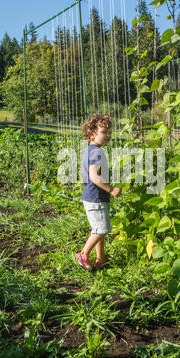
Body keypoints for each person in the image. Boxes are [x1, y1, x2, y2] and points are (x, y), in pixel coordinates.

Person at [75, 113, 121, 270]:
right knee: (101, 229)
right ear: (92, 133)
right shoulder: (96, 152)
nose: (108, 135)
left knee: (100, 228)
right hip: (95, 198)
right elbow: (94, 176)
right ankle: (83, 254)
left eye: (109, 132)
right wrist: (112, 189)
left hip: (95, 197)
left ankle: (101, 258)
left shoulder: (92, 150)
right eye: (103, 132)